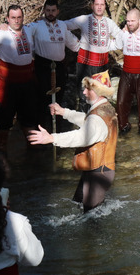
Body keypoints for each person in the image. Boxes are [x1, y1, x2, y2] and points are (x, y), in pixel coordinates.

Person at [27, 71, 118, 212]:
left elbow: (81, 137)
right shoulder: (105, 108)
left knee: (91, 219)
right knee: (81, 208)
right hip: (98, 170)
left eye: (89, 89)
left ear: (99, 92)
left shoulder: (97, 118)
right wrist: (64, 112)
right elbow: (87, 120)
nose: (84, 92)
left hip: (98, 173)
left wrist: (51, 138)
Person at [0, 5, 40, 153]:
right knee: (4, 119)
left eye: (19, 17)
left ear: (23, 18)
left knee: (30, 118)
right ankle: (1, 153)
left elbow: (47, 23)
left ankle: (32, 154)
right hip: (8, 84)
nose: (16, 20)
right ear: (7, 19)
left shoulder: (29, 29)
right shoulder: (1, 33)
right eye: (13, 17)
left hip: (27, 83)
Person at [24, 0, 79, 132]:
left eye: (53, 10)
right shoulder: (36, 26)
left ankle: (57, 131)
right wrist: (4, 27)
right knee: (42, 100)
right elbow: (19, 31)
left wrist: (92, 47)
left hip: (59, 68)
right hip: (42, 68)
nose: (50, 13)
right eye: (48, 10)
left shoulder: (62, 25)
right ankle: (41, 130)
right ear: (44, 11)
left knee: (58, 99)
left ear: (58, 11)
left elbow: (75, 45)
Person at [64, 0, 123, 109]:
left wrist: (109, 46)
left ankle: (99, 123)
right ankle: (84, 124)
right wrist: (75, 44)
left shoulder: (109, 23)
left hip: (103, 65)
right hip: (85, 63)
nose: (99, 7)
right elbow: (63, 26)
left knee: (101, 96)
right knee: (84, 95)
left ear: (105, 6)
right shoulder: (84, 20)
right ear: (92, 6)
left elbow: (120, 37)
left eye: (102, 4)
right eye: (97, 4)